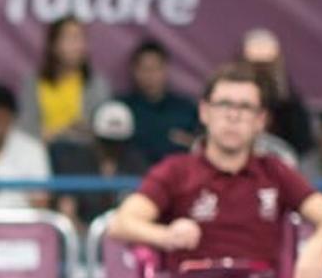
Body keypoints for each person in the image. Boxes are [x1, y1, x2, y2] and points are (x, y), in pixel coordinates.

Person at [105, 63, 322, 278]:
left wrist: (316, 247)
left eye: (245, 107)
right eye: (224, 105)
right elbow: (121, 223)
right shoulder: (177, 170)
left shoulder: (274, 171)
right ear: (205, 112)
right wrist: (166, 235)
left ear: (260, 120)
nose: (233, 115)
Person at [51, 99, 149, 225]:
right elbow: (67, 210)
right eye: (107, 142)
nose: (112, 148)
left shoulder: (137, 163)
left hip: (127, 234)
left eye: (118, 143)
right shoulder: (75, 162)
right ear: (94, 136)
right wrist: (88, 238)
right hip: (82, 236)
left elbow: (144, 210)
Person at [19, 16, 111, 145]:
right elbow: (26, 129)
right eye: (71, 38)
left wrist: (56, 133)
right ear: (54, 45)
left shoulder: (96, 84)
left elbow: (100, 130)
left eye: (81, 39)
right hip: (40, 155)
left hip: (82, 156)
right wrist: (65, 131)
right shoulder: (33, 82)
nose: (78, 45)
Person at [119, 38, 199, 164]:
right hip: (133, 178)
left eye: (156, 68)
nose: (150, 75)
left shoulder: (186, 109)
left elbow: (201, 145)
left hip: (177, 177)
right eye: (144, 69)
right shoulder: (121, 109)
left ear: (166, 69)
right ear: (134, 71)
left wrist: (194, 143)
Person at [240, 28, 314, 156]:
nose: (261, 70)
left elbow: (302, 144)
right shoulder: (230, 97)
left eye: (266, 65)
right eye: (256, 64)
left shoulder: (290, 103)